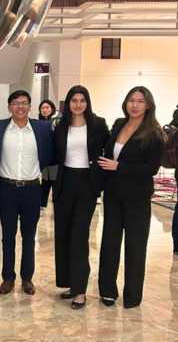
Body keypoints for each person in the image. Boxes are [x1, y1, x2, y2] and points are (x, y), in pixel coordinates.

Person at [98, 86, 166, 309]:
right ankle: (107, 291)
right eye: (131, 100)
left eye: (140, 101)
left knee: (135, 247)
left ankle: (133, 296)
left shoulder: (154, 133)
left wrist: (120, 166)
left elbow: (151, 168)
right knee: (109, 243)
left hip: (137, 197)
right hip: (114, 194)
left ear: (148, 105)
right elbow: (108, 153)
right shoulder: (119, 124)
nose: (135, 105)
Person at [52, 85, 109, 309]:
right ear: (68, 103)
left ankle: (81, 290)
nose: (78, 104)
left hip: (87, 184)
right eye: (74, 100)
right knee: (64, 235)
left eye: (82, 100)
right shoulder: (61, 125)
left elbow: (109, 150)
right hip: (65, 184)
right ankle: (71, 284)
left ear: (87, 102)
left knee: (79, 236)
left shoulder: (99, 124)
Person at [0, 90, 55, 296]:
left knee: (29, 236)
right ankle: (8, 277)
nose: (20, 107)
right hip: (7, 188)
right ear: (9, 107)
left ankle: (27, 278)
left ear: (30, 106)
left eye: (24, 103)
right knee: (7, 235)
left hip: (32, 188)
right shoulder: (0, 127)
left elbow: (51, 153)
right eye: (15, 103)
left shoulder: (43, 128)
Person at [38, 99, 62, 215]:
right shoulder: (41, 122)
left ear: (52, 108)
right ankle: (42, 204)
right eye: (42, 108)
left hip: (55, 158)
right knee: (45, 182)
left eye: (47, 107)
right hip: (45, 159)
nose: (45, 110)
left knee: (55, 182)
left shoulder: (58, 121)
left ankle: (57, 205)